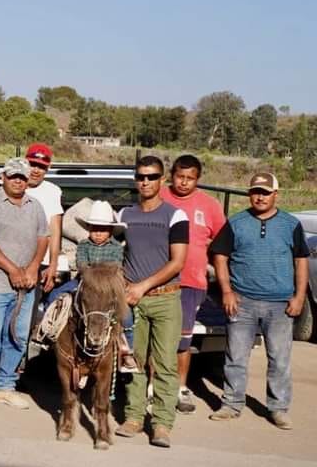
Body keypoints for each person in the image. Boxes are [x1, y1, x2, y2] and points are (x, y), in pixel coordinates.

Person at [209, 173, 308, 430]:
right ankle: (231, 403)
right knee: (235, 357)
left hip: (280, 304)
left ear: (276, 194)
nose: (259, 197)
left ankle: (278, 408)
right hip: (242, 301)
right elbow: (220, 256)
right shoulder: (237, 223)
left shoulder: (290, 224)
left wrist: (299, 296)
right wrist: (227, 291)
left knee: (279, 359)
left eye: (265, 192)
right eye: (255, 191)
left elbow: (301, 261)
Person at [115, 156, 189, 449]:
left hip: (165, 298)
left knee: (165, 363)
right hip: (131, 300)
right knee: (133, 360)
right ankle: (133, 417)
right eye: (140, 177)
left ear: (162, 180)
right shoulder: (125, 215)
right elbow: (117, 254)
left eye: (152, 176)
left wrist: (143, 286)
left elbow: (178, 261)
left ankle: (161, 424)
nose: (145, 182)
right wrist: (123, 284)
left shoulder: (175, 216)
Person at [0, 158, 48, 412]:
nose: (18, 181)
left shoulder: (35, 206)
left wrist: (33, 267)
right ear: (3, 177)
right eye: (13, 176)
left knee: (18, 336)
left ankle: (5, 386)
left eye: (22, 177)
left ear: (28, 180)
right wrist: (13, 269)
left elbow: (42, 239)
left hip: (26, 284)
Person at [161, 154, 227, 414]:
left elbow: (221, 243)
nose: (184, 182)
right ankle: (154, 389)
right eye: (180, 176)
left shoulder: (209, 205)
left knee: (182, 339)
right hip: (159, 281)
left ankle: (179, 387)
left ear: (198, 179)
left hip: (192, 282)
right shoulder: (159, 198)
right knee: (157, 338)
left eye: (190, 178)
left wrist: (224, 284)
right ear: (171, 175)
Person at [43, 200, 137, 373]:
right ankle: (48, 332)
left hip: (109, 286)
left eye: (103, 229)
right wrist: (93, 274)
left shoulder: (116, 247)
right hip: (84, 281)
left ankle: (127, 351)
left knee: (127, 315)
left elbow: (115, 267)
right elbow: (81, 265)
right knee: (54, 295)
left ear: (110, 231)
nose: (98, 233)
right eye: (94, 229)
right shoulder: (84, 245)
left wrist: (101, 275)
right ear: (89, 229)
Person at [24, 143, 64, 293]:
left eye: (40, 166)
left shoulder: (52, 191)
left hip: (42, 263)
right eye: (32, 164)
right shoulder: (12, 185)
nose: (35, 170)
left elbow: (55, 231)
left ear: (47, 168)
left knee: (30, 313)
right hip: (13, 261)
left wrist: (53, 265)